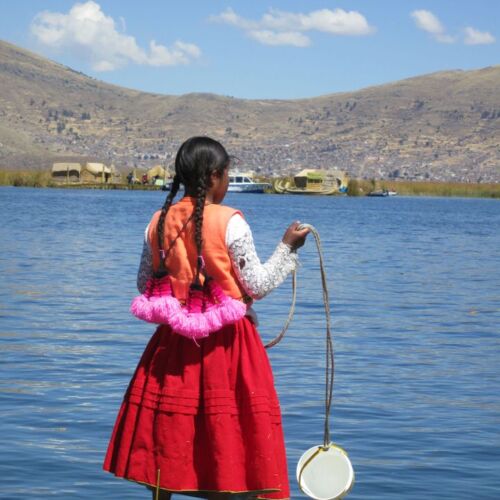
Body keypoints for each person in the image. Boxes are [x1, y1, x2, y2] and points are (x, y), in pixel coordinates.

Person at [103, 136, 309, 499]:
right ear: (215, 176)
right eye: (227, 175)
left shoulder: (158, 220)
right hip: (228, 348)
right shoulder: (231, 222)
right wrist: (287, 249)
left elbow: (143, 282)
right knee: (229, 436)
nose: (228, 182)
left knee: (168, 433)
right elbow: (257, 284)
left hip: (172, 346)